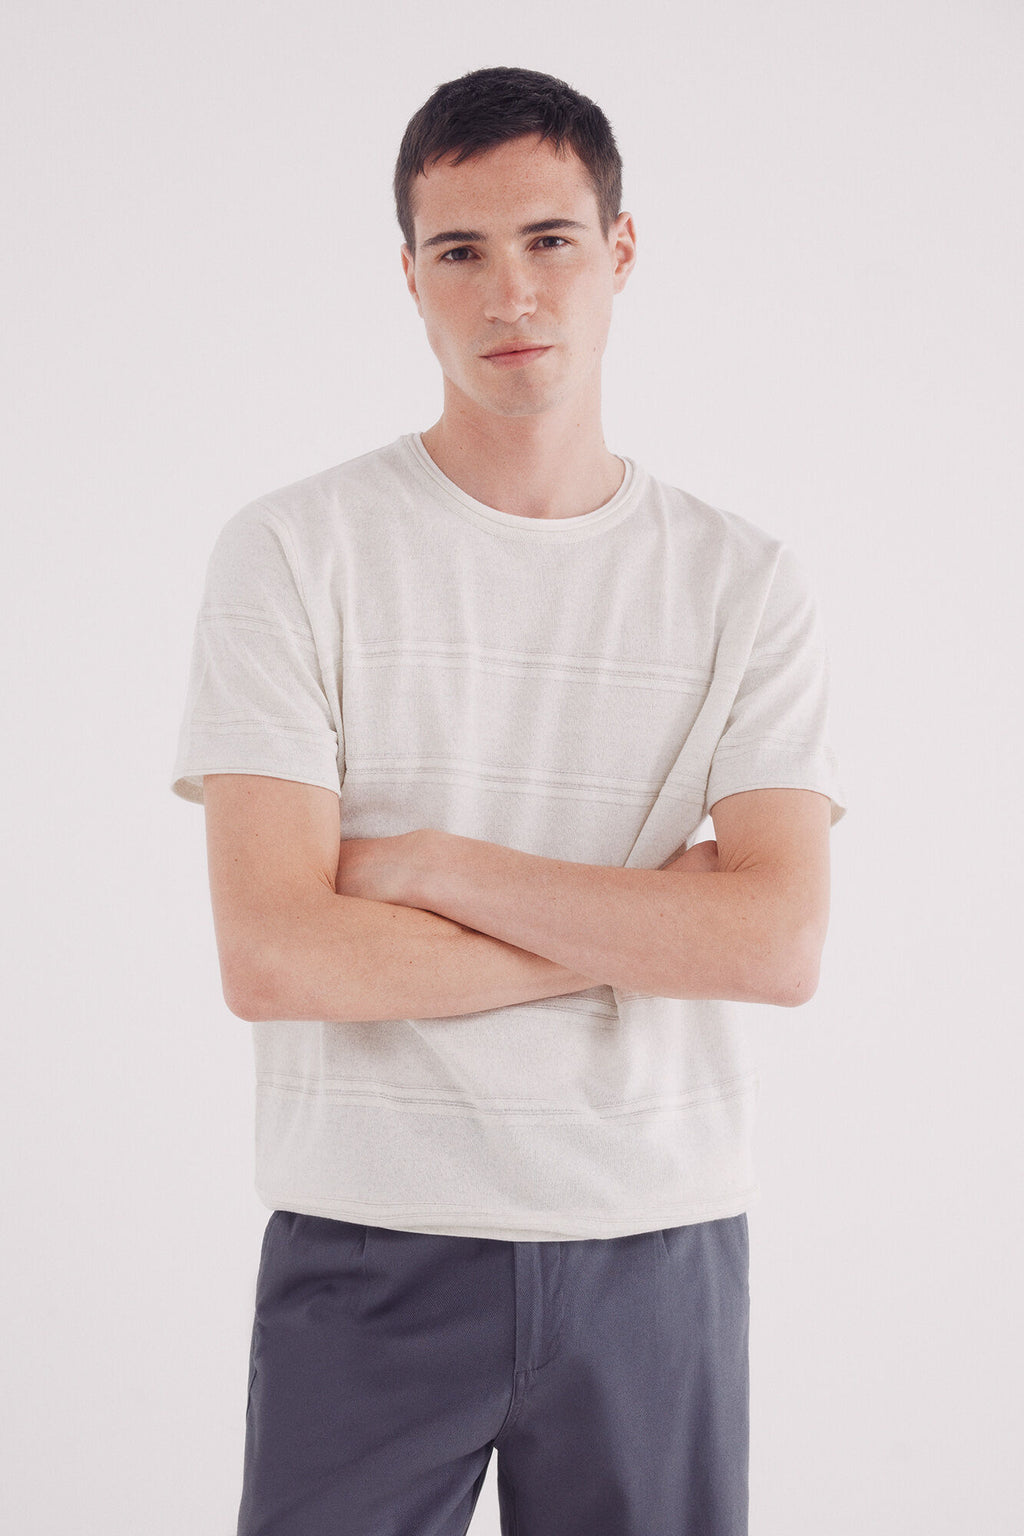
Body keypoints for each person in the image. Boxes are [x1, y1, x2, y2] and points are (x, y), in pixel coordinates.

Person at [171, 64, 845, 1536]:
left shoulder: (744, 582)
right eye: (461, 252)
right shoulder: (292, 552)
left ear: (620, 250)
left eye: (549, 240)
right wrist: (652, 924)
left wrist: (435, 865)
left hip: (655, 1240)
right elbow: (275, 956)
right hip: (370, 1235)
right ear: (409, 277)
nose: (511, 293)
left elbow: (776, 945)